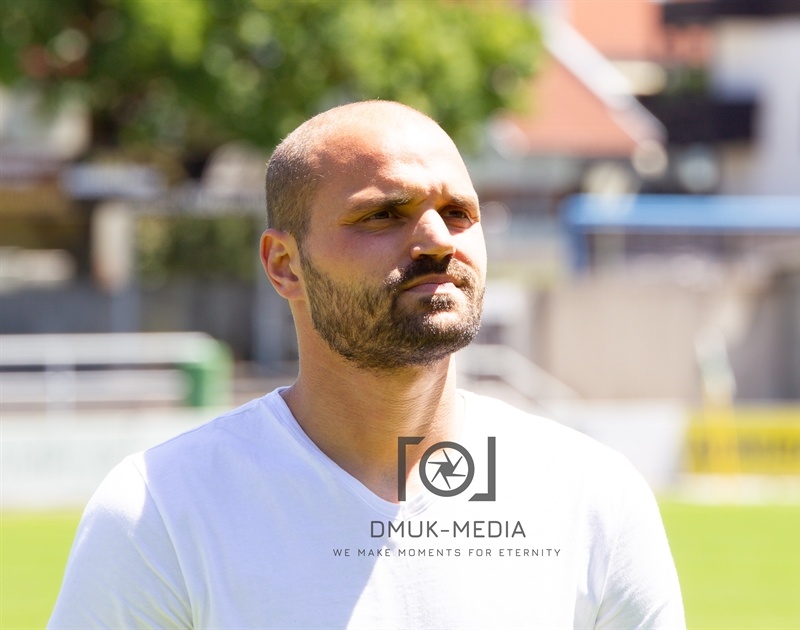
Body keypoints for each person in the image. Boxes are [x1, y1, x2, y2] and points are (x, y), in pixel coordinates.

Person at [49, 100, 685, 629]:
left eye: (459, 213)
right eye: (383, 214)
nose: (438, 240)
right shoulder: (160, 510)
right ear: (284, 265)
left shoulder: (594, 498)